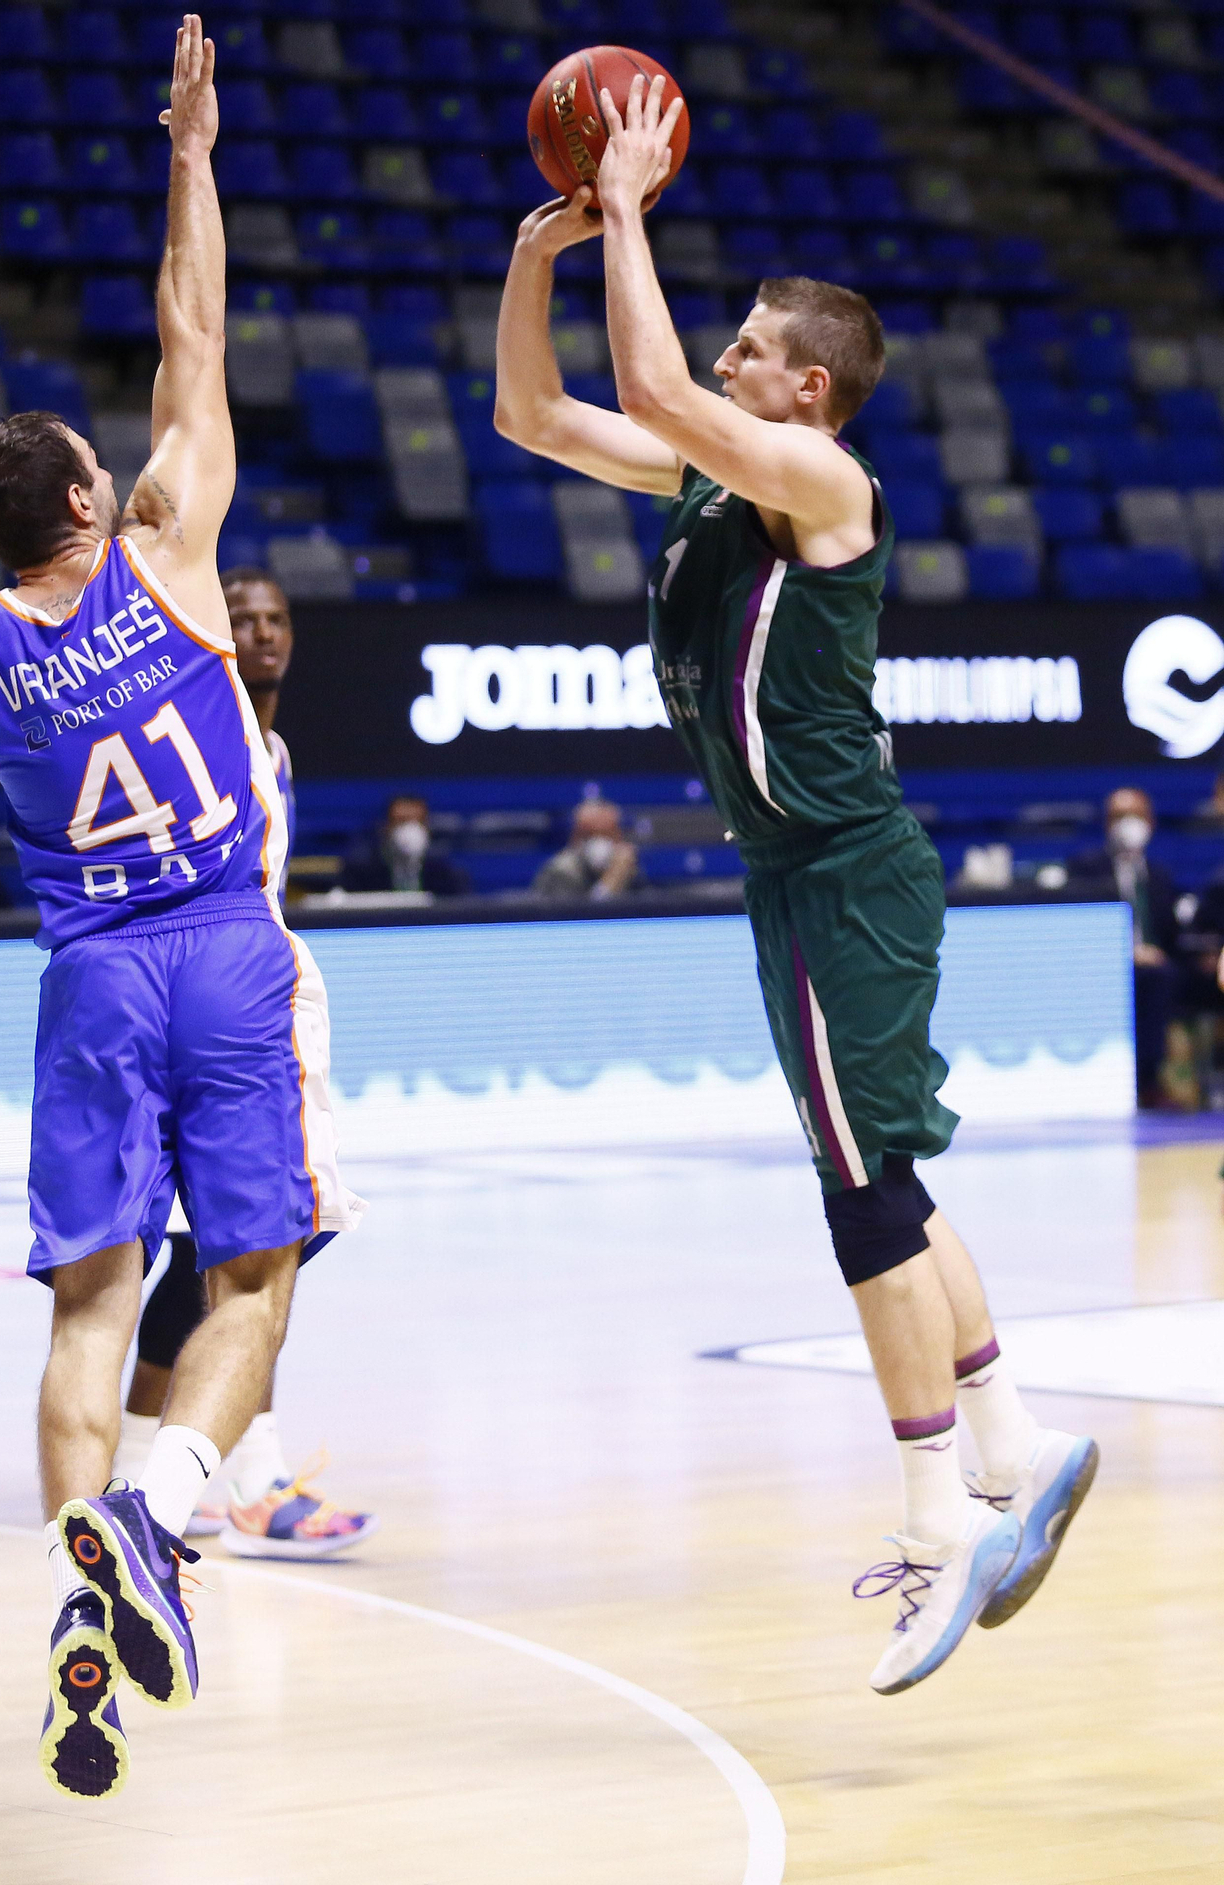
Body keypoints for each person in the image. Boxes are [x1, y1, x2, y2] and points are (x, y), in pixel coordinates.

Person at [494, 72, 1095, 1698]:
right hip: (802, 879)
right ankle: (1015, 1447)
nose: (726, 358)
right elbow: (537, 418)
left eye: (752, 348)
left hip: (843, 871)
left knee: (863, 1194)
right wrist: (545, 249)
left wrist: (627, 203)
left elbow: (650, 380)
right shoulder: (715, 480)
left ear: (808, 390)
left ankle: (934, 1519)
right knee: (885, 1166)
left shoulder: (824, 487)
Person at [0, 17, 363, 1801]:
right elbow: (194, 321)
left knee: (89, 1310)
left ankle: (79, 1602)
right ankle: (160, 1519)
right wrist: (191, 149)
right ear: (92, 497)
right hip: (227, 949)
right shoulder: (172, 554)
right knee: (251, 1281)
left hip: (86, 980)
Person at [110, 565, 375, 1558]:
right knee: (249, 1248)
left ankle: (155, 1477)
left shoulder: (274, 745)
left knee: (229, 1253)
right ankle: (234, 1485)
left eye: (277, 617)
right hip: (207, 1005)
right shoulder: (197, 724)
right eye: (243, 617)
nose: (263, 633)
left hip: (233, 996)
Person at [1067, 787, 1178, 1107]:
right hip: (1099, 965)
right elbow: (1078, 928)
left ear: (1151, 823)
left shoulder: (1159, 875)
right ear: (1106, 824)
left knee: (1162, 977)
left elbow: (1170, 934)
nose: (1128, 824)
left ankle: (1149, 1080)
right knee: (1150, 979)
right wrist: (1121, 952)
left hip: (1156, 967)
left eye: (1136, 816)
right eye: (1119, 817)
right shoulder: (1085, 869)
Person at [340, 793, 470, 896]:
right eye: (401, 821)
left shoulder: (444, 871)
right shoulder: (360, 869)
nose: (409, 829)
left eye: (416, 821)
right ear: (387, 827)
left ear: (426, 826)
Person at [530, 797, 642, 899]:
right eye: (590, 834)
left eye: (608, 834)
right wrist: (611, 882)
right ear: (575, 838)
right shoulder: (560, 872)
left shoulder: (627, 866)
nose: (600, 842)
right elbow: (578, 916)